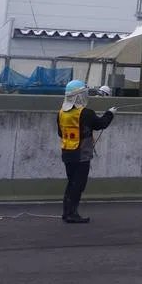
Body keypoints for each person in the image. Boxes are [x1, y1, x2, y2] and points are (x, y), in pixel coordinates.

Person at [57, 79, 116, 223]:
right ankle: (72, 214)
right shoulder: (86, 113)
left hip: (67, 152)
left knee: (71, 182)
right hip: (81, 154)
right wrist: (110, 113)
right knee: (78, 184)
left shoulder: (61, 113)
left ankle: (67, 212)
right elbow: (100, 124)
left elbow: (60, 132)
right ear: (80, 96)